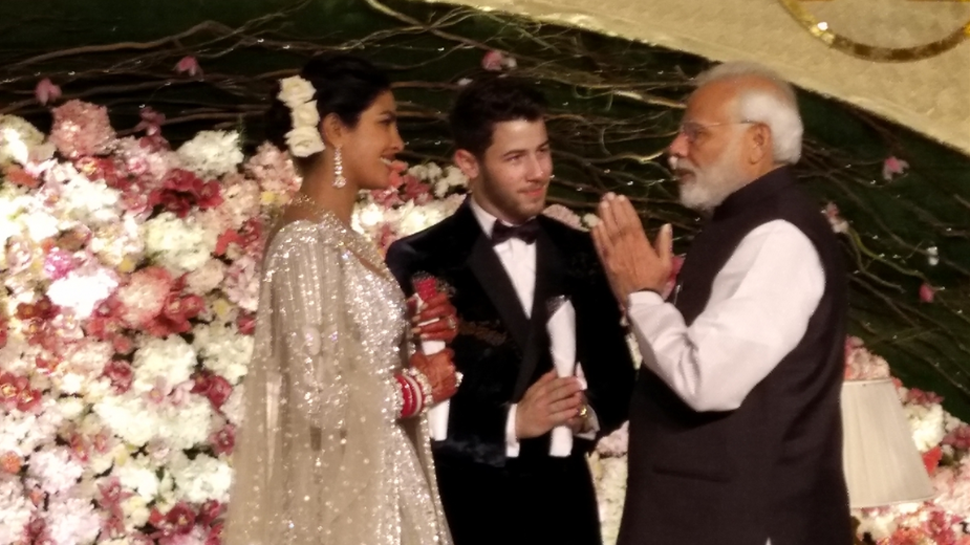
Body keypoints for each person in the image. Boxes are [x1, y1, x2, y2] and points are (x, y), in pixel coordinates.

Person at [592, 61, 851, 545]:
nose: (675, 148)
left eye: (696, 133)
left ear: (757, 141)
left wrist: (644, 297)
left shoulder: (779, 237)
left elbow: (706, 379)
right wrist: (650, 298)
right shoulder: (747, 223)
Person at [385, 76, 636, 545]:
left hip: (565, 516)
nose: (538, 172)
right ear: (468, 163)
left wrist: (582, 413)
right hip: (464, 514)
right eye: (516, 158)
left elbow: (618, 382)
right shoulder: (421, 259)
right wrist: (512, 423)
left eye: (543, 151)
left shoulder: (581, 253)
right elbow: (401, 404)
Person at [223, 54, 460, 545]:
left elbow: (348, 352)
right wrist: (418, 386)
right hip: (341, 502)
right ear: (334, 129)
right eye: (385, 122)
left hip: (373, 481)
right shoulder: (305, 242)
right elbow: (317, 398)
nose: (398, 142)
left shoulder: (337, 236)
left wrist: (410, 326)